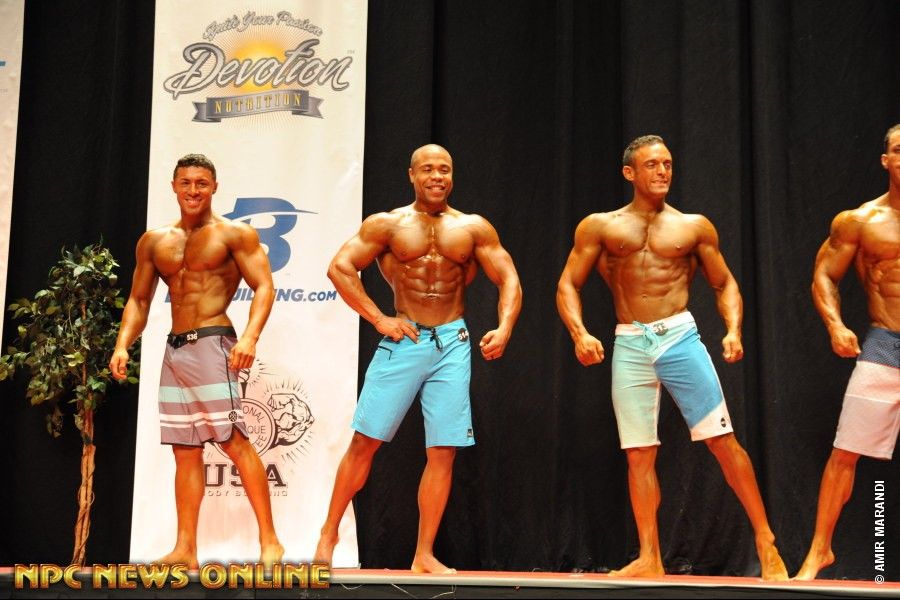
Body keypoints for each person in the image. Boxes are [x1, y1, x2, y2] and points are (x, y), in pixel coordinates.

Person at [556, 135, 788, 580]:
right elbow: (569, 283)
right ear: (630, 173)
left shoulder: (693, 227)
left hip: (679, 338)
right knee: (639, 453)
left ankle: (765, 539)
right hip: (630, 343)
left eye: (667, 164)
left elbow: (724, 283)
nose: (662, 171)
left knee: (722, 441)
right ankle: (650, 556)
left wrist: (733, 330)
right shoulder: (600, 227)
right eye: (652, 165)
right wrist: (579, 333)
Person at [313, 143, 522, 573]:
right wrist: (378, 318)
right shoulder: (387, 224)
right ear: (412, 174)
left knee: (443, 450)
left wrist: (504, 327)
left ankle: (423, 554)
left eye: (444, 169)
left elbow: (509, 278)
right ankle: (328, 534)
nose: (437, 177)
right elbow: (340, 267)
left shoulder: (472, 227)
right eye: (428, 169)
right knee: (365, 441)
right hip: (404, 340)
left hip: (452, 343)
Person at [109, 154, 284, 569]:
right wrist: (122, 345)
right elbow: (139, 299)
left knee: (233, 441)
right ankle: (186, 548)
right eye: (186, 182)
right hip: (175, 351)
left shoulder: (234, 234)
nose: (193, 190)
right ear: (173, 186)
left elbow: (264, 286)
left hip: (212, 343)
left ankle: (271, 542)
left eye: (201, 183)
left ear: (214, 187)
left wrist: (250, 337)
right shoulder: (154, 241)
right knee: (184, 450)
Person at [795, 124, 900, 580]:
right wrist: (835, 325)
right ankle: (819, 551)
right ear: (885, 160)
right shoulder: (860, 221)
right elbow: (824, 275)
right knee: (846, 451)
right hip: (886, 344)